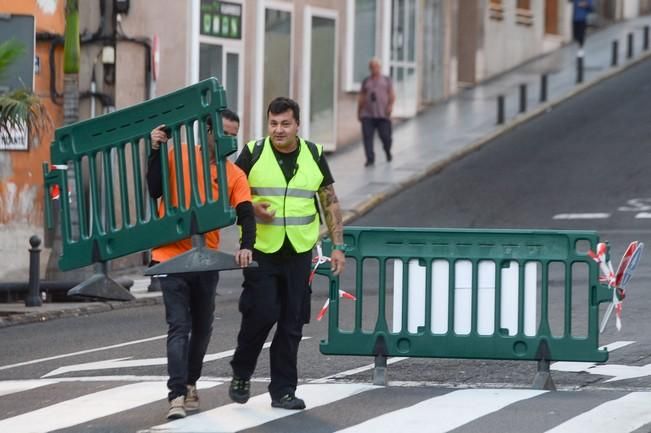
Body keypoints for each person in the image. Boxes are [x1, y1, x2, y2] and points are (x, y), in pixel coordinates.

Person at [228, 97, 346, 410]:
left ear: (297, 125)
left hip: (299, 251)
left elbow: (329, 201)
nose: (278, 130)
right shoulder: (253, 153)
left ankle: (283, 390)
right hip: (261, 251)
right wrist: (251, 207)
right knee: (261, 313)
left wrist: (337, 246)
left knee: (292, 322)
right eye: (273, 123)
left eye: (285, 124)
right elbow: (228, 190)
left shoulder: (314, 154)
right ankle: (241, 371)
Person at [147, 108, 255, 420]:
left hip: (205, 259)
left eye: (234, 134)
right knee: (179, 325)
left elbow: (246, 212)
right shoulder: (179, 154)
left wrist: (246, 245)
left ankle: (191, 381)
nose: (230, 139)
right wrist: (155, 149)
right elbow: (154, 188)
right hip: (170, 255)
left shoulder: (233, 174)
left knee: (203, 327)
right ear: (207, 132)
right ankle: (177, 394)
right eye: (225, 132)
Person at [357, 57, 396, 167]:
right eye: (373, 67)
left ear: (380, 68)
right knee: (367, 137)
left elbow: (392, 95)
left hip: (383, 114)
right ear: (370, 68)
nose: (375, 69)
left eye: (377, 67)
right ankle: (370, 159)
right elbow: (361, 97)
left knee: (386, 137)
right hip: (368, 114)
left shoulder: (386, 80)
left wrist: (390, 106)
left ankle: (387, 151)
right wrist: (359, 111)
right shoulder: (366, 81)